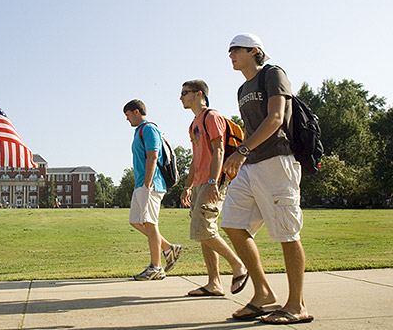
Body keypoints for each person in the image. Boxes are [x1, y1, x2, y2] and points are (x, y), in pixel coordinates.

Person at [221, 33, 313, 324]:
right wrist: (238, 158)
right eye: (229, 51)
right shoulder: (242, 89)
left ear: (254, 51)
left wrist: (242, 151)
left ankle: (296, 305)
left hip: (277, 161)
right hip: (251, 166)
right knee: (232, 223)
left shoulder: (273, 74)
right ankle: (263, 293)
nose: (231, 54)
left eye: (236, 49)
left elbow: (275, 118)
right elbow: (249, 128)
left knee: (287, 232)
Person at [179, 80, 248, 297]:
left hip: (213, 182)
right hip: (200, 182)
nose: (180, 97)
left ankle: (239, 266)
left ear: (199, 94)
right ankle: (214, 283)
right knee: (204, 232)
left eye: (184, 93)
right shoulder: (193, 124)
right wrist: (188, 186)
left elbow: (219, 150)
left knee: (203, 227)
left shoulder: (212, 117)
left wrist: (212, 181)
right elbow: (195, 159)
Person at [123, 99, 182, 281]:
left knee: (150, 224)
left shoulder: (149, 129)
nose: (127, 120)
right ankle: (168, 248)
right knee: (135, 221)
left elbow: (153, 156)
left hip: (151, 184)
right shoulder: (138, 131)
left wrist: (148, 183)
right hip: (141, 184)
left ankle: (156, 267)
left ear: (136, 112)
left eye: (128, 115)